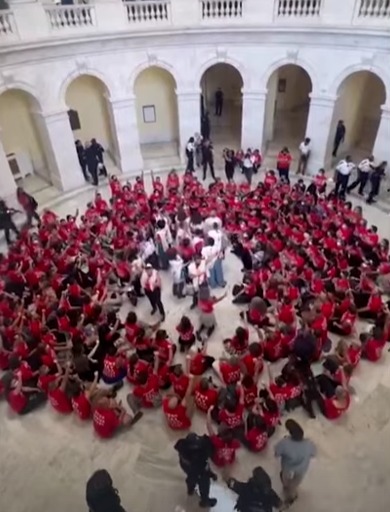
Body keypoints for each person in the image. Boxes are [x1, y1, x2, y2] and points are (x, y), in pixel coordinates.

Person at [274, 419, 316, 505]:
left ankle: (286, 487)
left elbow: (276, 453)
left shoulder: (285, 443)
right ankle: (292, 496)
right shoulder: (308, 444)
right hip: (302, 468)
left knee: (285, 479)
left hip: (288, 467)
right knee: (295, 483)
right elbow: (313, 453)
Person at [174, 432, 218, 508]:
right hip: (196, 468)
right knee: (204, 483)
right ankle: (204, 501)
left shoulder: (182, 445)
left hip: (186, 466)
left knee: (191, 477)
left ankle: (190, 489)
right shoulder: (200, 452)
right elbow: (203, 468)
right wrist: (211, 474)